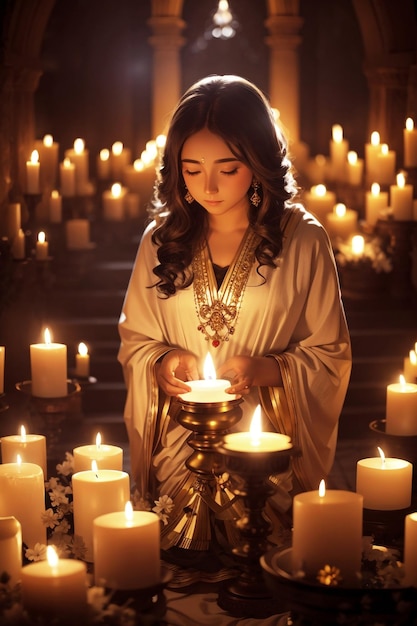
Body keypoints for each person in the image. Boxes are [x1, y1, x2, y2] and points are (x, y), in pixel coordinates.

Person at [118, 74, 351, 559]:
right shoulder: (160, 241)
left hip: (266, 447)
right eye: (192, 168)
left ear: (259, 162)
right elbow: (136, 340)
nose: (208, 186)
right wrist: (163, 364)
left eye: (227, 168)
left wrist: (262, 369)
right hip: (180, 445)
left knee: (259, 567)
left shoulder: (302, 240)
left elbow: (329, 353)